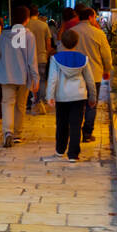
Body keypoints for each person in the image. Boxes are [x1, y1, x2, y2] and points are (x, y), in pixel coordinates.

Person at [44, 27, 97, 162]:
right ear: (77, 42)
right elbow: (90, 80)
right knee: (76, 125)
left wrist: (50, 96)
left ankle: (60, 150)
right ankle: (73, 154)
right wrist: (92, 97)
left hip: (61, 96)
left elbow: (53, 78)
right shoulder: (83, 59)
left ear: (61, 42)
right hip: (79, 96)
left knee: (61, 123)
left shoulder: (55, 59)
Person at [0, 4, 39, 147]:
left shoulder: (4, 35)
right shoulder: (29, 35)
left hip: (6, 75)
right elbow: (32, 60)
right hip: (23, 76)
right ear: (27, 19)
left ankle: (8, 132)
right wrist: (35, 78)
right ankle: (17, 134)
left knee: (7, 103)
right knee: (20, 105)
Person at [71, 5, 114, 143]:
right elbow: (106, 55)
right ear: (90, 17)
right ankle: (87, 133)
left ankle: (75, 132)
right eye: (94, 17)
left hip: (75, 74)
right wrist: (107, 70)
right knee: (91, 104)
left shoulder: (72, 32)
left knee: (77, 105)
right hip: (94, 75)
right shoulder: (98, 34)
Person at [25, 5, 53, 115]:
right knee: (41, 79)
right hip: (41, 57)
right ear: (37, 14)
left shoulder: (25, 25)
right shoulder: (44, 25)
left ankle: (28, 102)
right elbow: (48, 43)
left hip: (28, 57)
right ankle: (40, 101)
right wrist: (47, 54)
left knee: (28, 79)